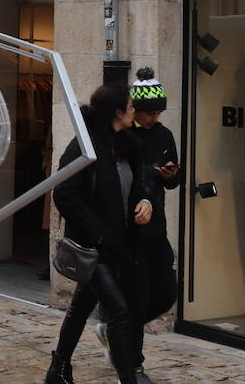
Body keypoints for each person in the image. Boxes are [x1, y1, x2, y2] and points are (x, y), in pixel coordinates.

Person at [46, 83, 153, 384]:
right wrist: (99, 234)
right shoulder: (84, 145)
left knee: (81, 306)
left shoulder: (127, 143)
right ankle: (128, 378)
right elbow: (64, 193)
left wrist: (145, 202)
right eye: (131, 106)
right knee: (119, 313)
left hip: (120, 245)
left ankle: (59, 369)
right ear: (118, 112)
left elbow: (141, 182)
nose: (135, 111)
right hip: (94, 247)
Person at [121, 69, 180, 380]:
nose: (154, 117)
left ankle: (119, 332)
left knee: (166, 294)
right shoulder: (125, 136)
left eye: (158, 112)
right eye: (149, 112)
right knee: (138, 296)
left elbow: (171, 182)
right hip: (132, 230)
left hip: (157, 226)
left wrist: (172, 175)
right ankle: (134, 365)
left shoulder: (164, 135)